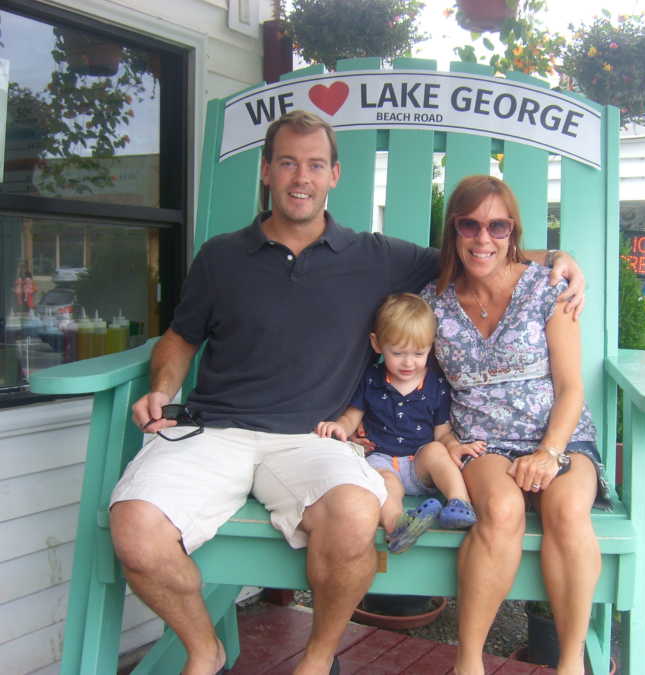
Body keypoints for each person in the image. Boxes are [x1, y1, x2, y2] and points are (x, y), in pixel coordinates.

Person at [112, 110, 584, 675]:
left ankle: (316, 659)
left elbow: (475, 254)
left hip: (316, 437)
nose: (301, 178)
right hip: (216, 429)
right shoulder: (220, 256)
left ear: (335, 174)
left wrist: (554, 258)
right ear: (266, 171)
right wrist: (162, 387)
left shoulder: (374, 256)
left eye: (315, 164)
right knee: (135, 533)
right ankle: (203, 648)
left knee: (357, 516)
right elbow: (180, 337)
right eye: (287, 163)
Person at [420, 175, 611, 675]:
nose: (484, 239)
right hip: (481, 440)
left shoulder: (547, 289)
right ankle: (469, 662)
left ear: (513, 231)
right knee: (502, 511)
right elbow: (406, 366)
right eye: (471, 224)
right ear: (454, 231)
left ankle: (570, 664)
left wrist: (549, 452)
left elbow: (571, 388)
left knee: (568, 510)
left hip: (558, 435)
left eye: (497, 226)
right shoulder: (433, 302)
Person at [316, 292, 483, 553]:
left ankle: (459, 504)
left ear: (431, 346)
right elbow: (352, 416)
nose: (408, 362)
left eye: (419, 353)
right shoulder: (371, 378)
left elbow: (442, 433)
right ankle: (399, 526)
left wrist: (455, 446)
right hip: (382, 459)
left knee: (437, 451)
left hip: (419, 463)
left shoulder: (435, 383)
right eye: (398, 353)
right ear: (377, 344)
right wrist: (341, 428)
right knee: (384, 483)